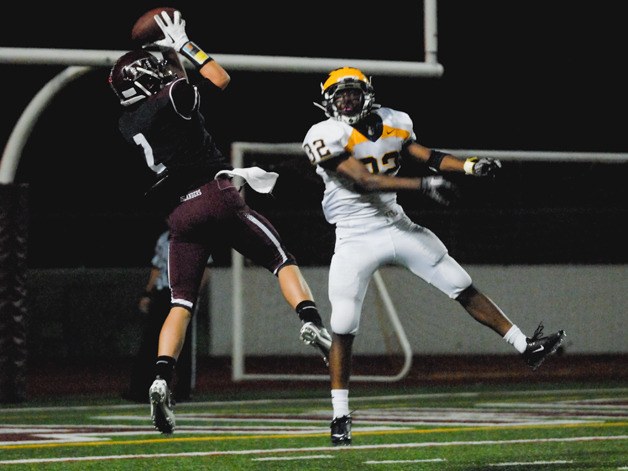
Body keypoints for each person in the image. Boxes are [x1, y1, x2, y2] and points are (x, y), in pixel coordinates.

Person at [301, 67, 567, 446]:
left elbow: (427, 156)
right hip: (354, 236)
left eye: (353, 93)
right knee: (343, 323)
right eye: (340, 95)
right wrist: (422, 185)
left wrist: (469, 166)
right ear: (328, 101)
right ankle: (340, 416)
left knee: (458, 282)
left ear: (367, 95)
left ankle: (527, 347)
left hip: (395, 224)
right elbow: (364, 180)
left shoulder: (395, 121)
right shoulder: (322, 134)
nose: (347, 100)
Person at [108, 10, 331, 434]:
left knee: (180, 304)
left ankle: (160, 379)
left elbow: (164, 87)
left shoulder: (126, 123)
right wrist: (183, 46)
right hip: (216, 196)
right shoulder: (170, 95)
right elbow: (220, 78)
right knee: (281, 259)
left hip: (179, 214)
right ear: (147, 78)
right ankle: (310, 321)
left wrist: (163, 60)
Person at [123, 229, 211, 403]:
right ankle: (141, 389)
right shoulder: (164, 238)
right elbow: (157, 269)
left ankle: (182, 391)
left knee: (183, 343)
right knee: (151, 341)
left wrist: (193, 293)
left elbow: (205, 270)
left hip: (182, 294)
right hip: (163, 294)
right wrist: (148, 293)